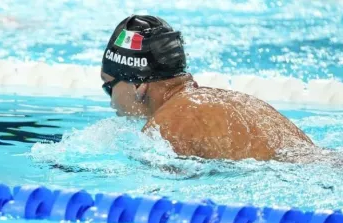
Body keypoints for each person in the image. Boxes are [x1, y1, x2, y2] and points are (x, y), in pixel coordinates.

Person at [100, 14, 317, 162]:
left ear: (139, 85)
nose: (111, 102)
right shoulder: (241, 102)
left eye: (109, 87)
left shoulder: (166, 126)